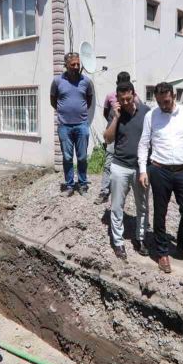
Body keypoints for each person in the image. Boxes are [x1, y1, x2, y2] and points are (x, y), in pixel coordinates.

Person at [137, 82, 183, 274]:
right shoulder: (151, 116)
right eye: (159, 102)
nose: (162, 105)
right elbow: (143, 144)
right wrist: (142, 170)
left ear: (173, 96)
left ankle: (182, 245)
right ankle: (162, 252)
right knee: (160, 212)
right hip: (159, 170)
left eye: (165, 101)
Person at [103, 81, 151, 260]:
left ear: (133, 94)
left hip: (141, 168)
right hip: (120, 166)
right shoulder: (116, 113)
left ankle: (140, 239)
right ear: (117, 98)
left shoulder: (146, 112)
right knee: (117, 206)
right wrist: (115, 118)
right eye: (122, 99)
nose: (125, 102)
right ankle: (118, 242)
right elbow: (108, 139)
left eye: (128, 98)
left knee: (143, 206)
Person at [50, 52, 94, 197]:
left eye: (78, 64)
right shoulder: (57, 81)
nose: (76, 67)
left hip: (82, 125)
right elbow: (53, 100)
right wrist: (64, 113)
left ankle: (82, 185)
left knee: (82, 157)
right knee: (67, 157)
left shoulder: (86, 82)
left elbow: (89, 99)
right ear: (66, 65)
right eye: (73, 64)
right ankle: (69, 186)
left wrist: (78, 112)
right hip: (64, 126)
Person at [98, 72, 135, 204]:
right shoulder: (110, 96)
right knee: (109, 163)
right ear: (117, 84)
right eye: (121, 83)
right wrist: (113, 122)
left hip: (126, 136)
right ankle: (104, 192)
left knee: (127, 165)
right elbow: (106, 113)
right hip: (113, 133)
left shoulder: (133, 97)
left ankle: (123, 191)